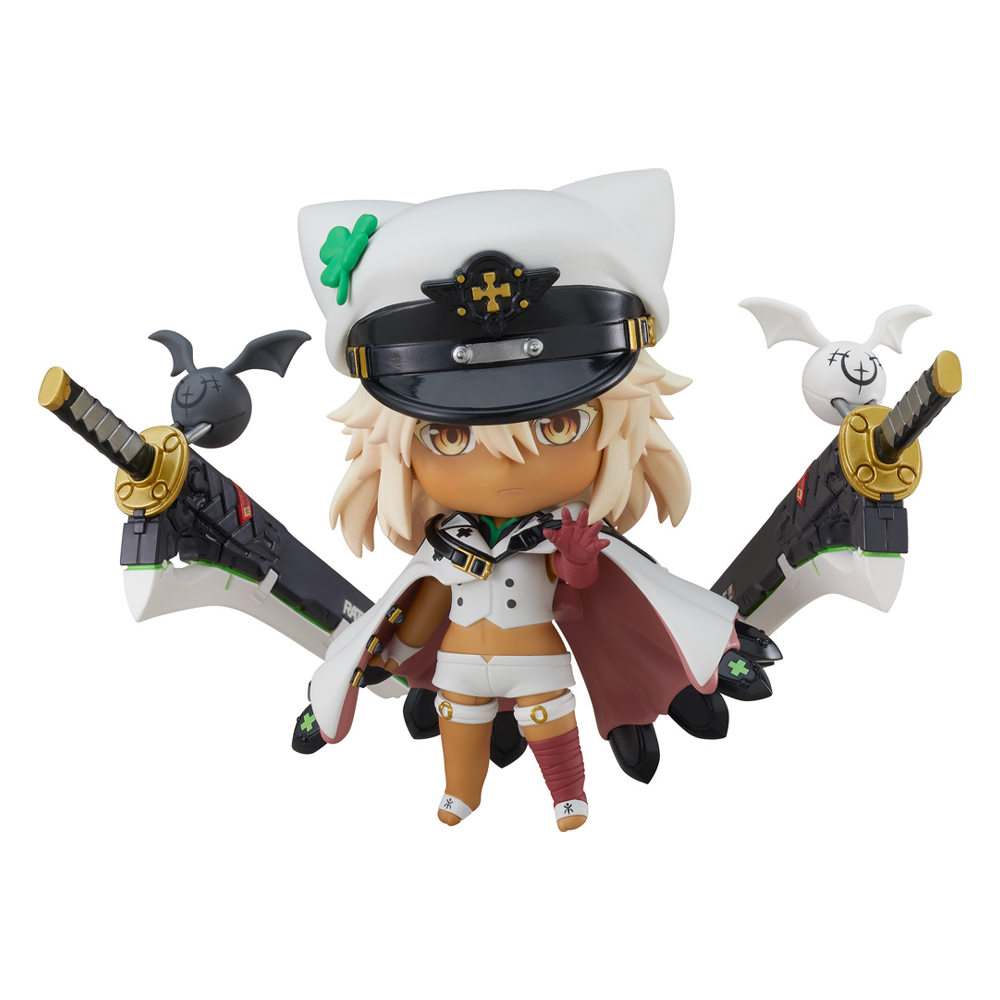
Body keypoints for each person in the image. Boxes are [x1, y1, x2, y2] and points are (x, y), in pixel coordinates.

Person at [298, 170, 740, 830]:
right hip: (460, 665)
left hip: (533, 659)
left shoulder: (553, 531)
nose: (506, 465)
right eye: (449, 436)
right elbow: (422, 600)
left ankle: (568, 791)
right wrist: (388, 651)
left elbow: (584, 583)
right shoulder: (449, 544)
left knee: (546, 715)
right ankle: (461, 791)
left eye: (558, 425)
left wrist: (579, 560)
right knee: (458, 715)